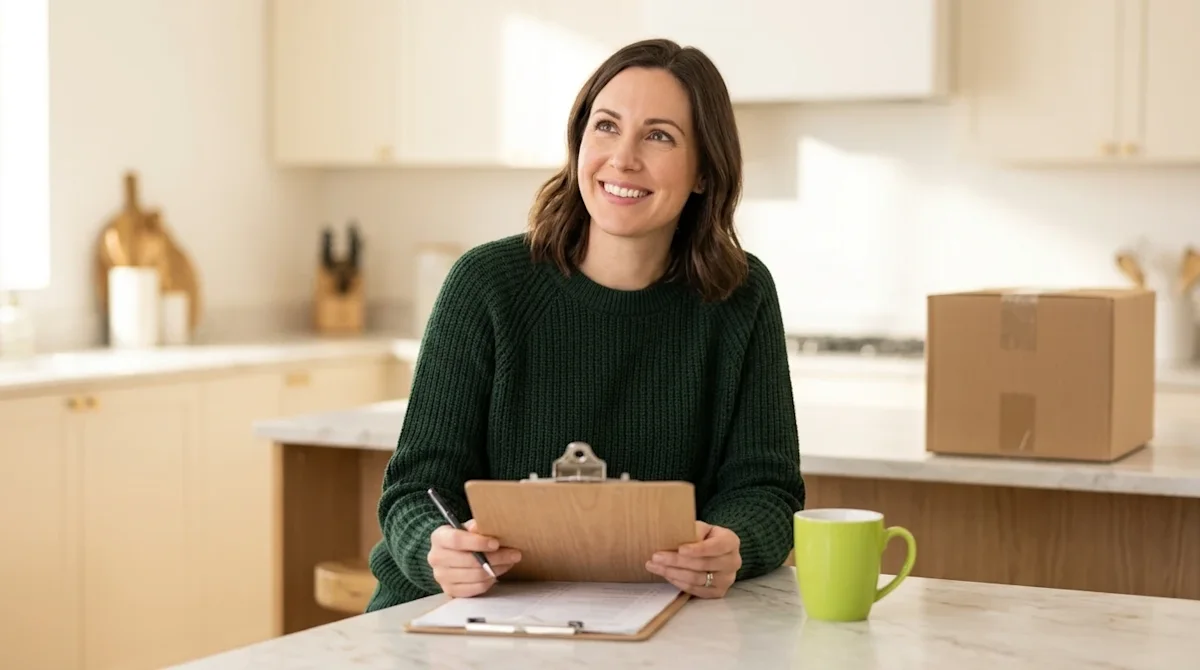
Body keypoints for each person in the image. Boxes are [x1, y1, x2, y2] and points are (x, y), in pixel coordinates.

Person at [365, 37, 805, 611]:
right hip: (464, 616)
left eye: (659, 135)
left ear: (703, 170)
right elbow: (415, 489)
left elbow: (766, 489)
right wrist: (436, 547)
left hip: (656, 620)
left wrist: (734, 545)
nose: (623, 158)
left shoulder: (740, 296)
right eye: (605, 126)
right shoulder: (485, 285)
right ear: (579, 143)